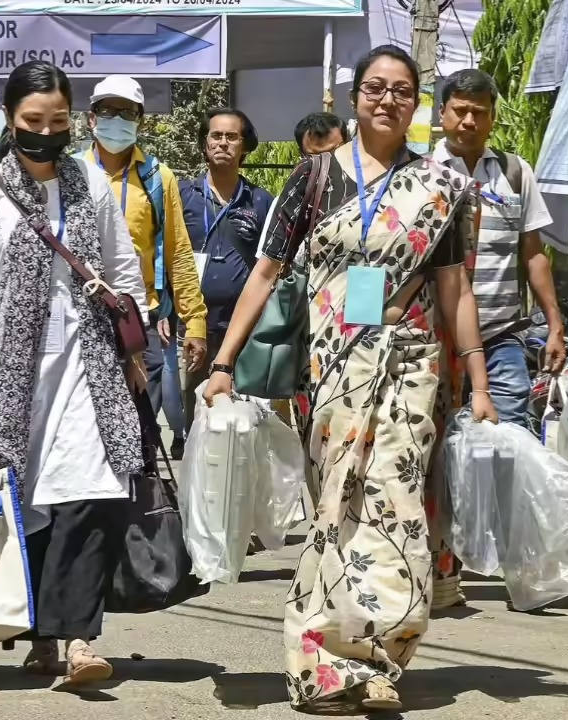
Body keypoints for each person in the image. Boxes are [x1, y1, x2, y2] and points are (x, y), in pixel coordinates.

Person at [201, 45, 497, 712]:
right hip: (332, 368)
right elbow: (268, 272)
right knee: (335, 502)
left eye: (400, 90)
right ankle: (323, 659)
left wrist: (477, 381)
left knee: (395, 503)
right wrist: (224, 364)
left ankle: (382, 658)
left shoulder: (442, 190)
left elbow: (455, 290)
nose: (386, 100)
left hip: (411, 363)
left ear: (416, 104)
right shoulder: (313, 178)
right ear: (355, 97)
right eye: (374, 88)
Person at [0, 60, 148, 682]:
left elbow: (121, 269)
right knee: (28, 500)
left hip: (91, 363)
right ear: (10, 119)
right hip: (16, 375)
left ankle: (80, 638)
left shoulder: (89, 182)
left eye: (58, 120)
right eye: (34, 121)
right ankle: (41, 636)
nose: (46, 131)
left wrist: (134, 355)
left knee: (92, 489)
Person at [433, 68, 566, 427]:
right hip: (435, 340)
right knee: (437, 446)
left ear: (492, 117)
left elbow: (534, 254)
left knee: (508, 441)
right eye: (460, 111)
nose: (469, 121)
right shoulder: (421, 174)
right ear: (442, 113)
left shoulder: (515, 172)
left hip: (500, 337)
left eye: (479, 112)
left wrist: (554, 323)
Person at [83, 75, 207, 459]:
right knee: (89, 425)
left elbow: (178, 253)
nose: (115, 120)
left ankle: (143, 505)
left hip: (141, 321)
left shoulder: (157, 177)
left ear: (141, 121)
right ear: (91, 119)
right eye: (107, 111)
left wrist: (195, 322)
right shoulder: (71, 172)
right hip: (85, 317)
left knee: (140, 428)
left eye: (126, 113)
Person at [179, 107, 273, 434]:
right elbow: (166, 257)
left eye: (232, 137)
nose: (223, 143)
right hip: (193, 327)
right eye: (216, 136)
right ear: (204, 144)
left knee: (243, 418)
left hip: (244, 328)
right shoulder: (182, 195)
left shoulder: (261, 202)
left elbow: (271, 267)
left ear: (244, 145)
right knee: (199, 414)